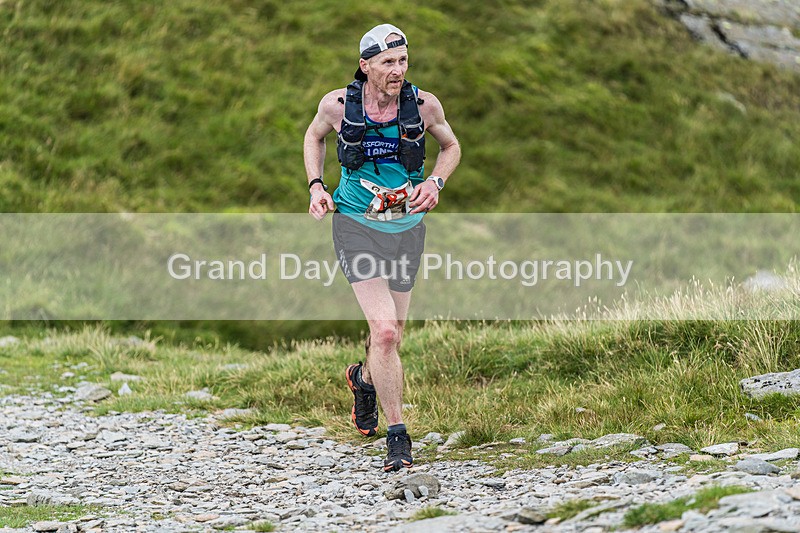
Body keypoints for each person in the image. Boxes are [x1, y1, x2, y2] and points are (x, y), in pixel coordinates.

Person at [303, 23, 460, 472]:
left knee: (390, 339)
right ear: (365, 64)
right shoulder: (336, 106)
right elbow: (314, 136)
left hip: (408, 229)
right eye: (389, 62)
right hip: (355, 224)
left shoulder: (425, 105)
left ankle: (363, 379)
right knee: (386, 332)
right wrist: (316, 186)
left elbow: (451, 146)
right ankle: (398, 438)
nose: (398, 70)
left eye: (404, 60)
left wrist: (435, 181)